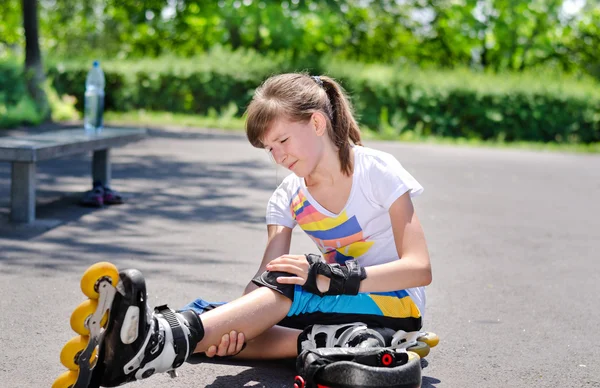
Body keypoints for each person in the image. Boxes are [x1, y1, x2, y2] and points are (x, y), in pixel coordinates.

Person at [89, 73, 432, 386]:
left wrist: (331, 276)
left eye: (283, 140)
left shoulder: (376, 171)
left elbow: (419, 268)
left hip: (395, 303)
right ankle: (334, 340)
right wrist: (237, 326)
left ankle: (154, 344)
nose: (279, 156)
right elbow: (262, 280)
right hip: (333, 303)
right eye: (270, 148)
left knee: (271, 294)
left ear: (316, 122)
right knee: (212, 314)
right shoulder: (288, 196)